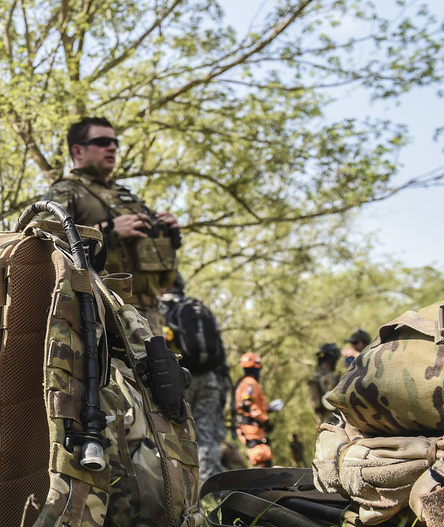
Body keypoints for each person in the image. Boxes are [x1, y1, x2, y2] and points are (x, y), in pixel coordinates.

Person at [44, 117, 180, 333]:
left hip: (151, 316)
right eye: (102, 142)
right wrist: (106, 231)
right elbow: (42, 244)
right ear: (78, 151)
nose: (113, 148)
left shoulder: (128, 198)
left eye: (115, 142)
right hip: (103, 313)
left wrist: (170, 237)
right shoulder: (68, 191)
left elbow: (166, 279)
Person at [159, 275, 229, 484]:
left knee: (177, 433)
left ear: (168, 284)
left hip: (181, 377)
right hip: (210, 379)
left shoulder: (162, 308)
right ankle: (212, 488)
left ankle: (185, 487)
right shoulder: (200, 308)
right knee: (206, 435)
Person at [234, 352, 273, 468]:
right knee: (261, 456)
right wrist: (263, 419)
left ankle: (263, 484)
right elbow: (248, 403)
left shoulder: (244, 383)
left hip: (253, 426)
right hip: (252, 426)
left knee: (262, 455)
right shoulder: (250, 383)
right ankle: (262, 485)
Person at [307, 342, 341, 425]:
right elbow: (332, 402)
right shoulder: (329, 377)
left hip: (323, 420)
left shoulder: (316, 377)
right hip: (333, 420)